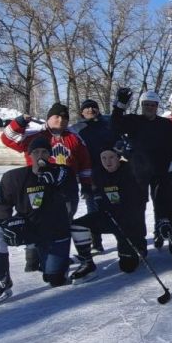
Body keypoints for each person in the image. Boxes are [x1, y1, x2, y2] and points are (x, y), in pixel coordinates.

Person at [0, 135, 77, 303]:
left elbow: (71, 202)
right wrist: (5, 221)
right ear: (29, 155)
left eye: (44, 152)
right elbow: (0, 205)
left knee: (55, 279)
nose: (40, 155)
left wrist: (56, 186)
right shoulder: (14, 178)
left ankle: (43, 256)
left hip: (55, 230)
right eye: (36, 152)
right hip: (28, 227)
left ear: (50, 155)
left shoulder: (63, 173)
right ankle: (1, 280)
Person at [1, 102, 92, 271]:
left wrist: (86, 185)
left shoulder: (74, 138)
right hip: (37, 188)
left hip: (65, 189)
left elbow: (85, 162)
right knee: (35, 220)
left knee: (63, 222)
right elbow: (7, 138)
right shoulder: (34, 135)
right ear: (49, 118)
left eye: (65, 117)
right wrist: (20, 122)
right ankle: (33, 257)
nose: (61, 120)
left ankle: (57, 256)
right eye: (56, 116)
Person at [67, 144, 148, 280]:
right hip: (109, 217)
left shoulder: (130, 170)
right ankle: (87, 263)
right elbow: (98, 192)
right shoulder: (98, 173)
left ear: (118, 157)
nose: (107, 161)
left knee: (127, 267)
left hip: (130, 222)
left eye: (111, 157)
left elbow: (141, 187)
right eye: (103, 158)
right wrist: (96, 195)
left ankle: (139, 247)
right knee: (77, 225)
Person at [111, 88, 172, 249]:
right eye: (146, 104)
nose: (150, 107)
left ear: (157, 106)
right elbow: (115, 126)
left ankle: (161, 231)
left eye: (153, 105)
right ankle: (139, 241)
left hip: (161, 171)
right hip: (138, 172)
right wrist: (119, 105)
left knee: (161, 204)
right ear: (142, 105)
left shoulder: (166, 124)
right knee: (137, 207)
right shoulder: (133, 120)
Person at [69, 98, 119, 254]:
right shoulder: (76, 129)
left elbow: (118, 142)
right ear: (82, 112)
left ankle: (124, 238)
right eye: (87, 108)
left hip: (110, 173)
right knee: (93, 209)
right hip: (89, 176)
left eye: (93, 107)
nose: (90, 110)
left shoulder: (107, 124)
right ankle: (96, 242)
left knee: (116, 207)